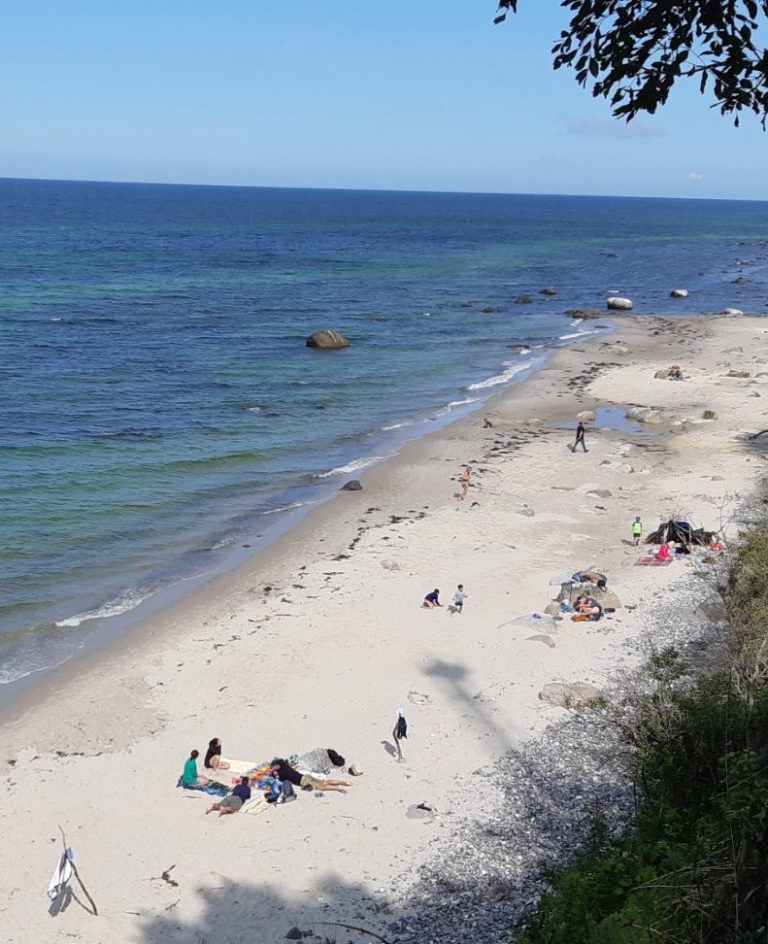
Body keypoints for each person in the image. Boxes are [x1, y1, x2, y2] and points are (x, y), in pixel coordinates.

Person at [271, 758, 351, 793]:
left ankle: (337, 788)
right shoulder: (285, 765)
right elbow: (281, 762)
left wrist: (274, 774)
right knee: (324, 782)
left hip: (303, 781)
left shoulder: (281, 774)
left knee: (321, 787)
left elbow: (279, 779)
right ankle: (344, 782)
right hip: (305, 776)